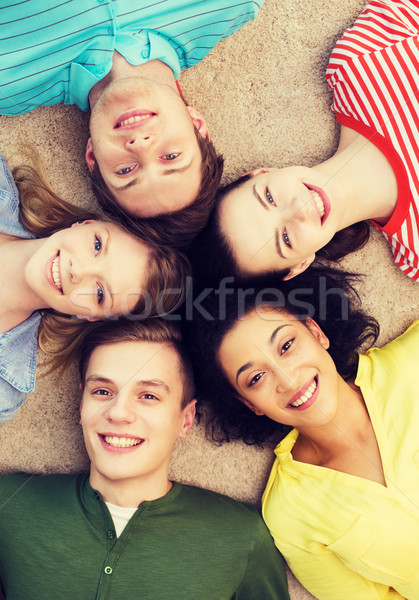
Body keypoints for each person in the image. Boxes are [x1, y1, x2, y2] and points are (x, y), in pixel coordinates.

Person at [0, 318, 290, 600]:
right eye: (102, 391)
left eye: (149, 395)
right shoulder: (9, 506)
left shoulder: (243, 538)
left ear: (185, 420)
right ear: (81, 404)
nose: (118, 412)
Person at [187, 268, 419, 599]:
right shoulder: (290, 512)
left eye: (286, 345)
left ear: (316, 332)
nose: (287, 378)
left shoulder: (414, 360)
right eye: (255, 378)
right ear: (250, 404)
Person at [0, 1, 265, 245]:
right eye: (171, 156)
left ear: (93, 158)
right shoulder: (230, 5)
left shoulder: (8, 82)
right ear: (197, 126)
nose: (140, 145)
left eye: (126, 170)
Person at [194, 0, 419, 282]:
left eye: (269, 197)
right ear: (300, 264)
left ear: (261, 173)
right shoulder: (415, 256)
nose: (299, 209)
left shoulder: (356, 66)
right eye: (286, 238)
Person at [0, 151, 188, 422]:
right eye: (97, 245)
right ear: (86, 224)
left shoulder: (6, 391)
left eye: (100, 293)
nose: (79, 271)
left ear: (92, 316)